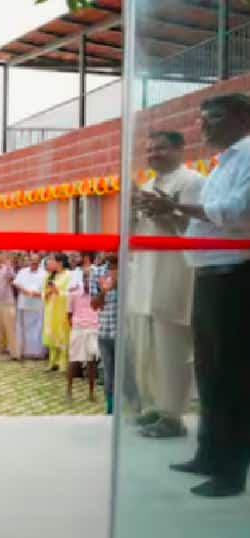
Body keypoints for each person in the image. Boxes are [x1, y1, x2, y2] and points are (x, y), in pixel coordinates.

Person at [145, 93, 250, 497]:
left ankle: (231, 471)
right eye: (201, 120)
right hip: (208, 274)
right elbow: (203, 227)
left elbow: (238, 212)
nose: (203, 128)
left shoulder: (247, 157)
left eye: (214, 119)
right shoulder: (223, 163)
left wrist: (184, 210)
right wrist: (169, 214)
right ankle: (209, 453)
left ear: (242, 117)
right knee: (209, 372)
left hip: (236, 278)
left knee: (232, 376)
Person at [126, 131, 202, 439]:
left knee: (173, 348)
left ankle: (174, 416)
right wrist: (132, 210)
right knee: (149, 348)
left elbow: (199, 231)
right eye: (149, 150)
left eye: (161, 149)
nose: (153, 154)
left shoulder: (193, 182)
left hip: (176, 273)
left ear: (180, 149)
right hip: (146, 273)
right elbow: (138, 233)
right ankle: (156, 407)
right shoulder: (147, 185)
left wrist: (169, 211)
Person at [67, 262, 100, 401]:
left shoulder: (98, 294)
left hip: (93, 329)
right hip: (78, 328)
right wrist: (76, 326)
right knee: (74, 360)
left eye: (90, 278)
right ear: (82, 278)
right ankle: (69, 391)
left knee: (92, 361)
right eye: (86, 277)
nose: (88, 280)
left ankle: (91, 393)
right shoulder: (73, 293)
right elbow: (68, 313)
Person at [90, 255, 118, 414]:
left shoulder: (132, 268)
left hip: (129, 333)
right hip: (106, 333)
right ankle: (111, 410)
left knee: (131, 375)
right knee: (109, 375)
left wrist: (120, 283)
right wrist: (104, 291)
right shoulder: (98, 272)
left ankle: (132, 410)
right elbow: (94, 305)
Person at [13, 253, 47, 360]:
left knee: (37, 329)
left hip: (38, 304)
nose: (34, 262)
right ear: (29, 261)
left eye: (36, 261)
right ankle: (23, 351)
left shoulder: (45, 274)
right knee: (23, 329)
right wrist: (24, 291)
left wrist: (38, 294)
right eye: (32, 260)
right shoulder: (22, 272)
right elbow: (16, 283)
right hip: (24, 303)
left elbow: (47, 289)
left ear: (39, 261)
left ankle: (37, 352)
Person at [43, 254, 72, 373]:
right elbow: (43, 291)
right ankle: (52, 362)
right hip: (51, 308)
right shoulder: (49, 275)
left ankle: (63, 363)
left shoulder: (69, 275)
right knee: (51, 334)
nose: (50, 264)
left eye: (52, 261)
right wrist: (48, 293)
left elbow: (71, 292)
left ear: (60, 263)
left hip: (63, 308)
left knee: (63, 334)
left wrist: (58, 291)